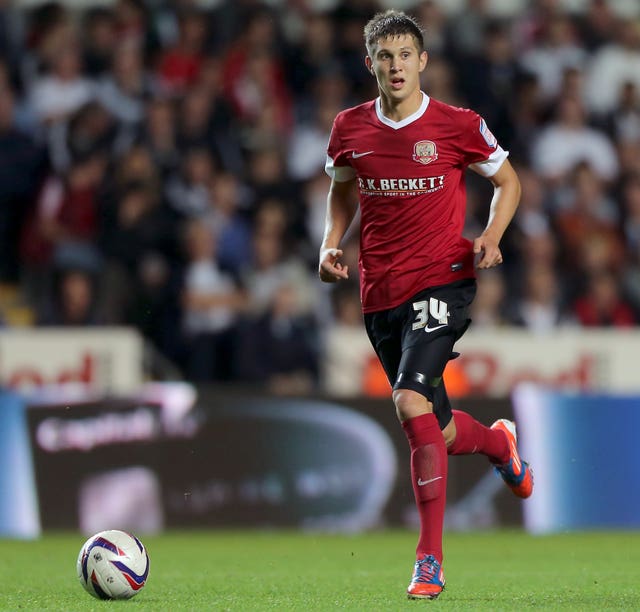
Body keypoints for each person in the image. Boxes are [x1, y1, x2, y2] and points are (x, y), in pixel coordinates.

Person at [318, 10, 533, 601]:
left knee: (409, 398)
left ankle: (429, 560)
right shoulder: (348, 129)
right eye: (384, 57)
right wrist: (331, 242)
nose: (394, 66)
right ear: (371, 64)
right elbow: (340, 190)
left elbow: (508, 182)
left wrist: (491, 235)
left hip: (444, 279)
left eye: (404, 56)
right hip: (378, 292)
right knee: (433, 426)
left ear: (422, 62)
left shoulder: (457, 124)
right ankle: (497, 444)